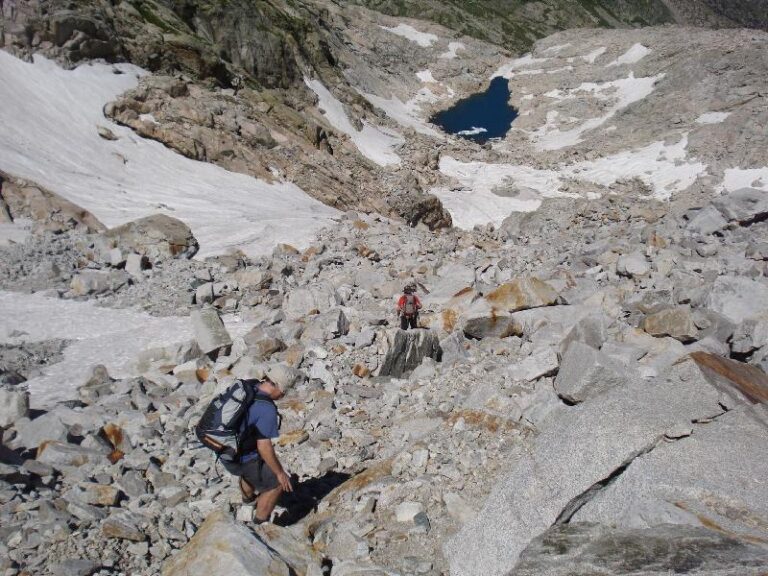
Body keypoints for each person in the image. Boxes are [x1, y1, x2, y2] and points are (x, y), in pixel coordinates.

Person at [223, 378, 293, 523]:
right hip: (241, 455)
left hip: (221, 447)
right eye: (283, 392)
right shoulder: (267, 408)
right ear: (277, 387)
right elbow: (264, 447)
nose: (282, 397)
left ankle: (247, 503)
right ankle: (259, 523)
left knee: (250, 469)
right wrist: (280, 473)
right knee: (278, 483)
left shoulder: (249, 386)